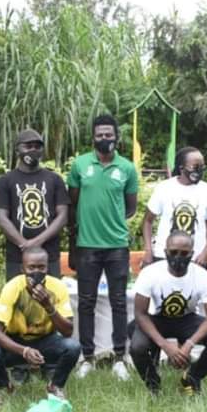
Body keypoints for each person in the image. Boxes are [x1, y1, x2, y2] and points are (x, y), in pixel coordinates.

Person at [68, 114, 139, 380]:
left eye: (109, 134)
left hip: (117, 246)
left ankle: (120, 357)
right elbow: (73, 203)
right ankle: (87, 357)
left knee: (119, 302)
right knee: (86, 303)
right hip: (87, 246)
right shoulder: (80, 165)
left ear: (116, 136)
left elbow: (130, 207)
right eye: (100, 135)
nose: (105, 139)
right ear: (93, 137)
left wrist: (111, 223)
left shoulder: (127, 168)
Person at [130, 231, 207, 396]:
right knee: (137, 346)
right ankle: (154, 387)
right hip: (157, 319)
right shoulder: (150, 273)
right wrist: (165, 346)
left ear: (191, 254)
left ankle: (192, 378)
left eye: (184, 253)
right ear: (165, 252)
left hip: (187, 319)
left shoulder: (202, 276)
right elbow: (140, 314)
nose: (178, 257)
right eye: (173, 252)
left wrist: (189, 344)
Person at [0, 246, 81, 401]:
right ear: (23, 269)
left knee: (73, 347)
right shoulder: (12, 287)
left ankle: (55, 387)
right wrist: (24, 350)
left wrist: (49, 306)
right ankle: (5, 388)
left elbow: (68, 331)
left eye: (41, 267)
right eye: (31, 267)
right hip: (16, 342)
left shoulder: (58, 287)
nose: (36, 272)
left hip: (45, 341)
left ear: (47, 268)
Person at [0, 128, 70, 280]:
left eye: (37, 146)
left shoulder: (54, 179)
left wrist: (36, 242)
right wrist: (23, 244)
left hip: (48, 257)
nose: (33, 150)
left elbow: (63, 216)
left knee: (50, 298)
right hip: (17, 257)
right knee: (18, 299)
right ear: (17, 150)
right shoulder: (6, 180)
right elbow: (2, 218)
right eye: (28, 146)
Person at [141, 147, 207, 270]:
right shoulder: (164, 188)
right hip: (164, 255)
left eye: (202, 166)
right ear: (181, 168)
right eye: (195, 166)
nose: (199, 170)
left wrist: (205, 254)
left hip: (196, 257)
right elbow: (148, 221)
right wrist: (148, 250)